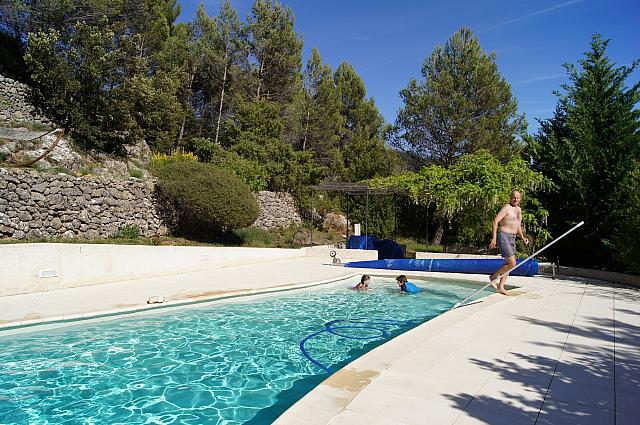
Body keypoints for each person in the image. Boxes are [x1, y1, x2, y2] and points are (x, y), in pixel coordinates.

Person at [489, 190, 529, 295]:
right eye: (514, 197)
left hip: (513, 237)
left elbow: (518, 225)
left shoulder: (519, 210)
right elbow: (495, 221)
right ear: (510, 198)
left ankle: (500, 287)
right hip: (504, 236)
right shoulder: (506, 208)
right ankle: (494, 276)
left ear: (520, 199)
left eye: (517, 197)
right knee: (512, 263)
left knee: (509, 264)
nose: (516, 199)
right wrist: (494, 238)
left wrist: (522, 237)